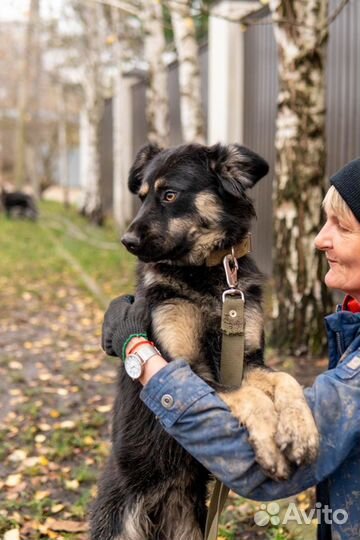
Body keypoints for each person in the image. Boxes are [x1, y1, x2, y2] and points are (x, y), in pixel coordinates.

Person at [102, 158, 360, 540]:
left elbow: (252, 466)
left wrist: (137, 351)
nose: (320, 239)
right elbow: (241, 375)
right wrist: (279, 392)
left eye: (342, 226)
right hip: (133, 493)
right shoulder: (351, 319)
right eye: (324, 222)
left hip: (191, 492)